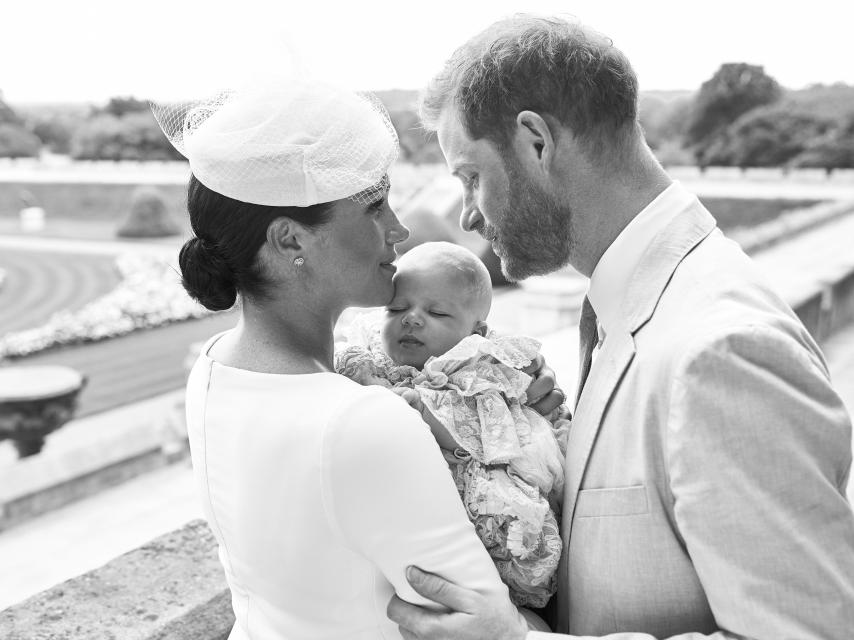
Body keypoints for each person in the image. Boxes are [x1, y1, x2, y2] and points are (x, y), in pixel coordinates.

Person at [386, 14, 854, 640]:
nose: (467, 215)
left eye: (471, 176)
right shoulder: (632, 302)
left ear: (535, 142)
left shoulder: (723, 350)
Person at [153, 80, 561, 639]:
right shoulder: (366, 418)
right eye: (374, 208)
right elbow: (487, 622)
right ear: (290, 239)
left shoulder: (215, 366)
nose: (398, 229)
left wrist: (498, 390)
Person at [336, 241, 568, 608]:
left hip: (476, 493)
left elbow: (483, 432)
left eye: (438, 313)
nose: (411, 318)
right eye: (396, 308)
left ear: (476, 331)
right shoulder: (367, 356)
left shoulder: (478, 369)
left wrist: (422, 413)